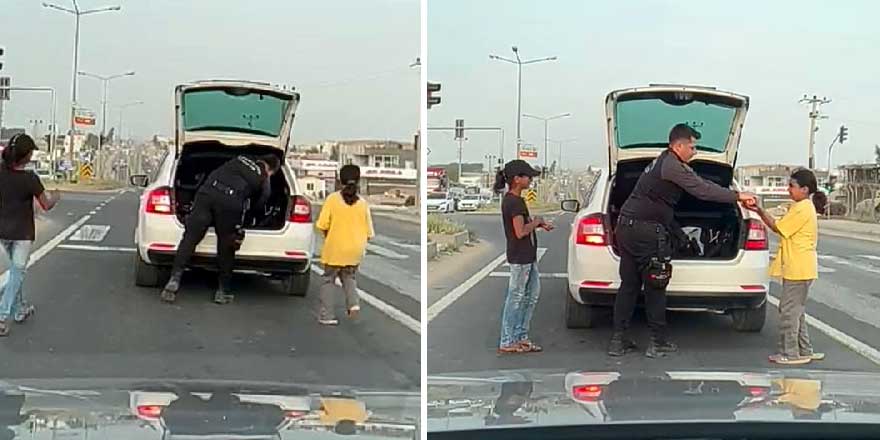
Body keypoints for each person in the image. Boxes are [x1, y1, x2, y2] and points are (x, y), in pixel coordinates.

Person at [609, 123, 757, 358]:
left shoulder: (662, 162)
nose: (694, 151)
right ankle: (658, 343)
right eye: (692, 146)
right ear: (677, 145)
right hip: (647, 232)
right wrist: (738, 195)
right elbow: (703, 190)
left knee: (629, 285)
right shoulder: (672, 166)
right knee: (656, 286)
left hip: (627, 228)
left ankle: (618, 341)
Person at [160, 154, 280, 304]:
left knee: (190, 238)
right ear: (271, 170)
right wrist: (251, 217)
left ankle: (174, 279)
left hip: (207, 194)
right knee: (226, 244)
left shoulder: (239, 159)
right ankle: (223, 291)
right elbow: (262, 200)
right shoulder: (263, 177)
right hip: (230, 203)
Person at [746, 168, 823, 365]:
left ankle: (790, 353)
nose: (788, 190)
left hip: (798, 268)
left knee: (789, 311)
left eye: (792, 186)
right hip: (801, 267)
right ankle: (804, 350)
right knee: (796, 310)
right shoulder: (804, 206)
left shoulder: (802, 208)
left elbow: (778, 227)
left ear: (805, 189)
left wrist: (760, 210)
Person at [0, 134, 60, 337]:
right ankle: (3, 315)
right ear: (25, 156)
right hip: (23, 233)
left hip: (3, 232)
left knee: (16, 273)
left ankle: (19, 310)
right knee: (18, 272)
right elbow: (46, 205)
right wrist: (56, 196)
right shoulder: (30, 179)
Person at [493, 160, 553, 354]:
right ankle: (508, 339)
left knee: (531, 296)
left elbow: (522, 225)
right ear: (517, 179)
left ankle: (521, 337)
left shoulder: (515, 200)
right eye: (528, 176)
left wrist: (538, 223)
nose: (530, 180)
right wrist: (535, 223)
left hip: (527, 256)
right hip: (520, 257)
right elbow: (519, 231)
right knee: (517, 297)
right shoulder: (514, 202)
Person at [315, 164, 373, 325]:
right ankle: (353, 303)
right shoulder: (363, 203)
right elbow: (369, 233)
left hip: (334, 250)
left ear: (340, 180)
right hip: (354, 251)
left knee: (328, 280)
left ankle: (326, 316)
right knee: (349, 278)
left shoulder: (333, 199)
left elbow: (322, 225)